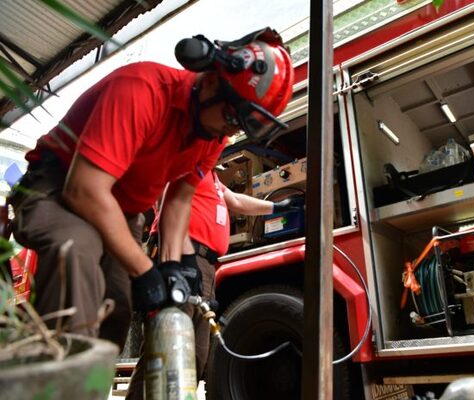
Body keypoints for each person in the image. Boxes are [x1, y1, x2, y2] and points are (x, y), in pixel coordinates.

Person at [9, 27, 294, 356]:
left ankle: (88, 387)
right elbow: (84, 190)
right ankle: (51, 383)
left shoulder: (212, 134)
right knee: (74, 251)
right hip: (58, 185)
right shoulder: (141, 90)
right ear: (213, 81)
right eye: (231, 118)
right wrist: (145, 271)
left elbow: (179, 199)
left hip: (121, 208)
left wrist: (171, 267)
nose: (229, 131)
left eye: (239, 126)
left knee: (115, 304)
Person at [126, 168, 302, 398]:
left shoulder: (213, 179)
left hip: (205, 265)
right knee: (165, 347)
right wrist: (174, 258)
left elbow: (237, 200)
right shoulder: (186, 161)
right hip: (181, 257)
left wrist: (277, 207)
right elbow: (164, 198)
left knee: (196, 354)